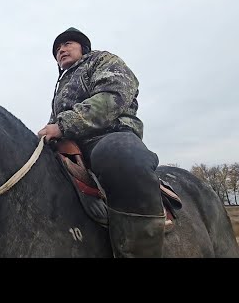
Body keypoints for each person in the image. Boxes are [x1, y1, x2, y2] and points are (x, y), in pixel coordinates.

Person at [37, 27, 165, 258]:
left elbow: (114, 94)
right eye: (57, 49)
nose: (61, 50)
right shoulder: (62, 85)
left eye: (67, 44)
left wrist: (62, 126)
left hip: (107, 135)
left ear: (83, 48)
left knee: (122, 157)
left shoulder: (103, 60)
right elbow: (56, 120)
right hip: (69, 144)